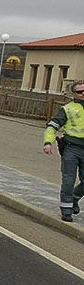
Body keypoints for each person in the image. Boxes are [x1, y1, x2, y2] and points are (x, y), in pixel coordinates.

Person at [42, 79, 84, 222]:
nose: (83, 93)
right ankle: (66, 210)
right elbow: (52, 126)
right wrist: (48, 142)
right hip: (72, 148)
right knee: (68, 180)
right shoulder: (67, 109)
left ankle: (73, 199)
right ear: (74, 94)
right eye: (80, 92)